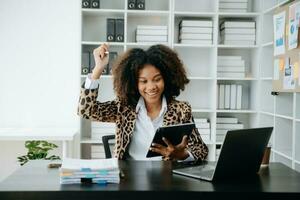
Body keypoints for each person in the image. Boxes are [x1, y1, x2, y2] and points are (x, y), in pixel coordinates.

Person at [78, 43, 208, 161]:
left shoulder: (181, 110)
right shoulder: (123, 107)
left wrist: (180, 155)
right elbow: (86, 111)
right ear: (134, 83)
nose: (151, 87)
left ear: (167, 79)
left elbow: (201, 151)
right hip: (130, 179)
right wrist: (98, 69)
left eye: (157, 79)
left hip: (166, 180)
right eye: (143, 81)